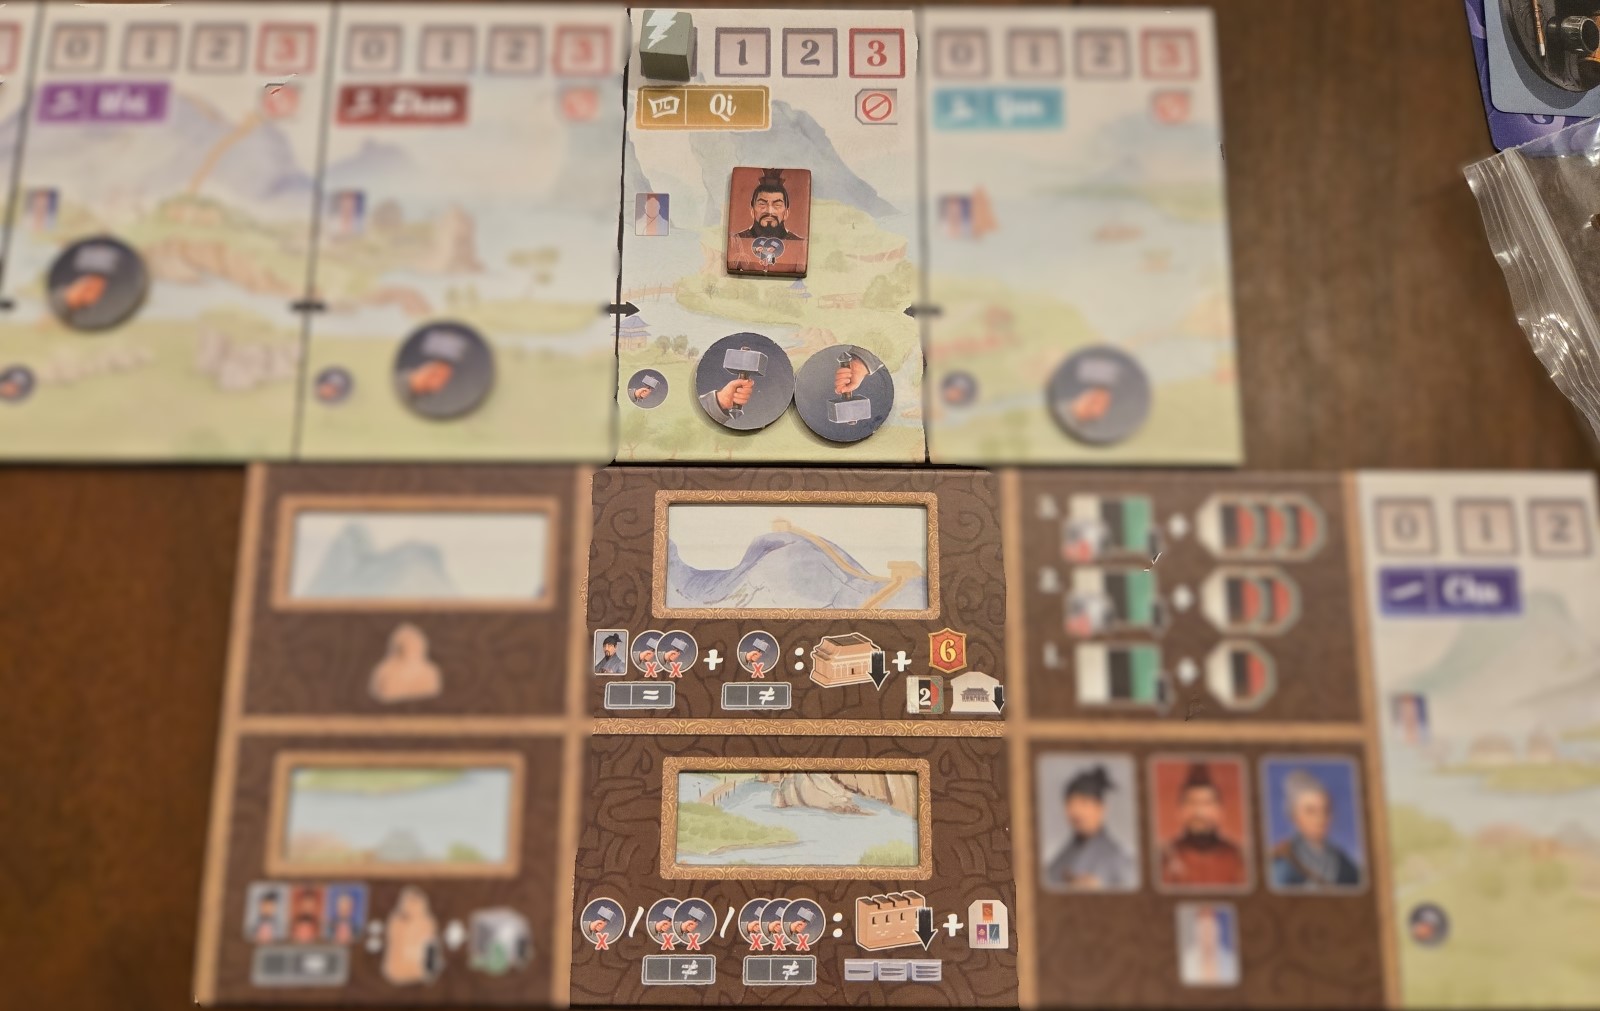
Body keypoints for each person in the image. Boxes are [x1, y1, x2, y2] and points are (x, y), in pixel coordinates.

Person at [1045, 765, 1136, 890]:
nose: (1076, 811)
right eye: (1070, 803)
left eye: (1084, 803)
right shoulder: (1060, 859)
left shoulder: (1119, 859)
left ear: (1101, 808)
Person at [1158, 762, 1248, 888]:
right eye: (1192, 803)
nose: (1199, 812)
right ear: (1180, 810)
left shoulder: (1237, 857)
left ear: (1219, 810)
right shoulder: (1164, 857)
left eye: (1207, 803)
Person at [1269, 770, 1362, 889]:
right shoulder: (1283, 861)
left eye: (1326, 810)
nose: (1321, 818)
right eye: (1311, 811)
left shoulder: (1345, 864)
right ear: (1294, 816)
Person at [735, 170, 804, 240]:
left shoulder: (798, 242)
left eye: (777, 205)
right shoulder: (737, 240)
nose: (769, 211)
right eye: (762, 204)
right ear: (752, 211)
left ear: (786, 213)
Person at [1180, 905, 1237, 986]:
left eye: (1210, 928)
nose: (1207, 934)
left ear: (1218, 930)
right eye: (1203, 929)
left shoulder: (1230, 960)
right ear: (1196, 932)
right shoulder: (1186, 961)